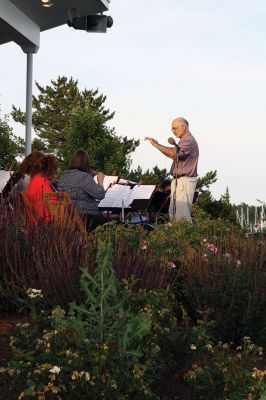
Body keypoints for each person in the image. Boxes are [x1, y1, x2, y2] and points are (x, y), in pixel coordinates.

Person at [145, 117, 199, 222]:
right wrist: (157, 145)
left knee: (182, 216)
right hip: (180, 180)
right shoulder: (183, 141)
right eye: (172, 129)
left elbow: (172, 152)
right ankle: (177, 235)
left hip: (185, 180)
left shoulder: (188, 140)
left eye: (175, 128)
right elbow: (172, 155)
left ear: (184, 127)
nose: (173, 131)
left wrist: (156, 145)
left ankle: (185, 237)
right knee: (174, 214)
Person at [58, 149, 108, 232]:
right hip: (85, 219)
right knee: (121, 225)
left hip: (68, 220)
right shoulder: (84, 177)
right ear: (86, 163)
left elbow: (79, 189)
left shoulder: (63, 177)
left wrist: (90, 178)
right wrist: (100, 181)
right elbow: (100, 195)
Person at [25, 154, 58, 222]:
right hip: (44, 222)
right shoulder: (44, 182)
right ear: (52, 169)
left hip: (33, 220)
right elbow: (54, 206)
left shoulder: (34, 179)